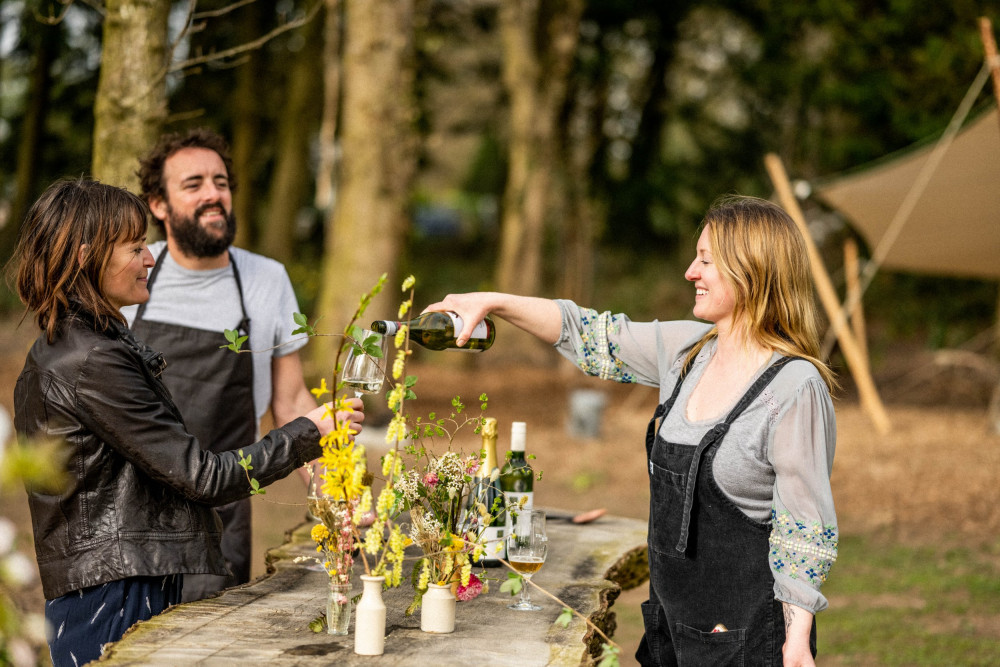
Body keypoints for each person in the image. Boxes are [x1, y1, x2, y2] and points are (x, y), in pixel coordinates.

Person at [427, 195, 838, 667]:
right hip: (669, 630)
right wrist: (495, 302)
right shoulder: (687, 351)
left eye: (705, 260)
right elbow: (586, 334)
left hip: (746, 642)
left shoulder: (794, 386)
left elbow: (804, 528)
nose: (690, 271)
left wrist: (797, 640)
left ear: (751, 271)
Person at [9, 178, 364, 667]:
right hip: (113, 595)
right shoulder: (91, 361)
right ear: (86, 257)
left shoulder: (79, 345)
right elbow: (204, 476)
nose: (150, 258)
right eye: (135, 247)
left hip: (115, 583)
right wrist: (309, 433)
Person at [119, 128, 321, 602]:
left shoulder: (267, 279)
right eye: (193, 184)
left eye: (221, 182)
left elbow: (291, 400)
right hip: (130, 519)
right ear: (159, 205)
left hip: (220, 517)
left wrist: (333, 492)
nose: (213, 194)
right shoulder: (131, 277)